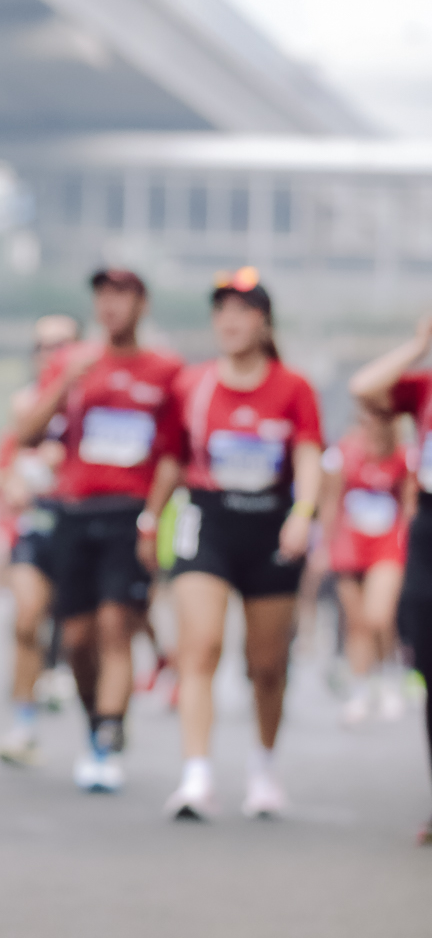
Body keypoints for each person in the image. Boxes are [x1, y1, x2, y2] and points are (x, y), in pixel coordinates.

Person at [14, 270, 182, 792]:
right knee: (76, 638)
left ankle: (107, 738)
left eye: (122, 295)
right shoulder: (73, 363)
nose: (111, 306)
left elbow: (174, 454)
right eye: (102, 296)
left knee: (115, 627)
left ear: (142, 304)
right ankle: (97, 722)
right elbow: (26, 433)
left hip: (129, 513)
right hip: (74, 513)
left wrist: (153, 516)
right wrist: (65, 381)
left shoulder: (166, 371)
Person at [165, 272, 322, 820]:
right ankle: (196, 776)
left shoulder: (294, 387)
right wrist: (149, 519)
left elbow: (308, 456)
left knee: (267, 664)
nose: (230, 321)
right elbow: (170, 459)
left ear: (264, 321)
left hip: (271, 527)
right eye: (222, 310)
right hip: (208, 521)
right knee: (201, 646)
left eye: (243, 310)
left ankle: (264, 770)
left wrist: (303, 513)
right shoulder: (193, 384)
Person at [349, 316, 432, 842]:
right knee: (425, 656)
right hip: (428, 527)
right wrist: (419, 346)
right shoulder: (424, 388)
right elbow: (364, 387)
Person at [0, 312, 80, 766]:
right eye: (44, 346)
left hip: (84, 526)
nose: (52, 354)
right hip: (36, 524)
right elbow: (5, 465)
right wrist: (13, 482)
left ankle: (103, 725)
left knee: (84, 637)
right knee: (27, 621)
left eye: (62, 345)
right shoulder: (23, 404)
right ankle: (23, 728)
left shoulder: (95, 400)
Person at [319, 405, 410, 726]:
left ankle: (387, 678)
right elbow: (330, 501)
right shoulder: (341, 454)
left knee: (378, 616)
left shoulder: (402, 456)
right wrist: (323, 546)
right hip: (349, 545)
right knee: (357, 622)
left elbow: (409, 505)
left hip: (387, 544)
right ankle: (360, 688)